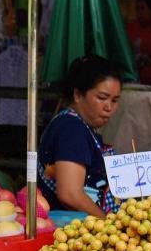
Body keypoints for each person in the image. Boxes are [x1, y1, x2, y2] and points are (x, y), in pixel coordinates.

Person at [37, 55, 124, 216]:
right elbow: (70, 194)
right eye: (102, 98)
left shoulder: (80, 126)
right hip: (70, 229)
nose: (109, 107)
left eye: (115, 100)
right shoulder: (71, 129)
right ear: (77, 95)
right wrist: (108, 225)